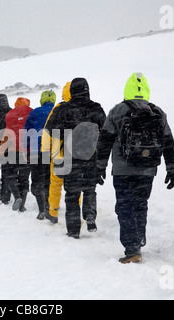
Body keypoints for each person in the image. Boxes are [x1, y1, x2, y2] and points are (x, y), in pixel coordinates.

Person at [96, 72, 174, 263]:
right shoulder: (157, 112)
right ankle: (138, 239)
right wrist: (172, 168)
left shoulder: (117, 110)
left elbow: (105, 141)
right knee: (140, 204)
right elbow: (168, 142)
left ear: (127, 89)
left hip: (123, 170)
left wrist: (100, 167)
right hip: (147, 169)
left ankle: (132, 248)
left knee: (125, 207)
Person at [52, 78, 106, 239]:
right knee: (90, 189)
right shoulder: (96, 108)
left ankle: (74, 230)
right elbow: (106, 133)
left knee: (72, 195)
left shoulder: (64, 109)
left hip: (70, 158)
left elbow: (52, 131)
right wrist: (102, 161)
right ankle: (90, 215)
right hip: (91, 157)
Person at [41, 82, 72, 223]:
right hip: (77, 155)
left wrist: (45, 151)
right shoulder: (84, 108)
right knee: (74, 186)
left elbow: (47, 131)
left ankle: (53, 212)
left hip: (57, 154)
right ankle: (75, 211)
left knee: (55, 184)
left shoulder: (58, 109)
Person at [24, 91, 55, 219]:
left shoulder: (35, 112)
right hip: (53, 151)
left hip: (36, 151)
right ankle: (49, 207)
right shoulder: (57, 111)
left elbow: (26, 132)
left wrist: (26, 149)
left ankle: (42, 208)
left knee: (37, 180)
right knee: (49, 180)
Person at [0, 97, 33, 212]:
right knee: (24, 179)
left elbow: (6, 133)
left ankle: (16, 196)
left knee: (10, 176)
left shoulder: (11, 116)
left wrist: (1, 150)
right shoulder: (31, 113)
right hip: (26, 152)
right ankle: (22, 205)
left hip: (12, 151)